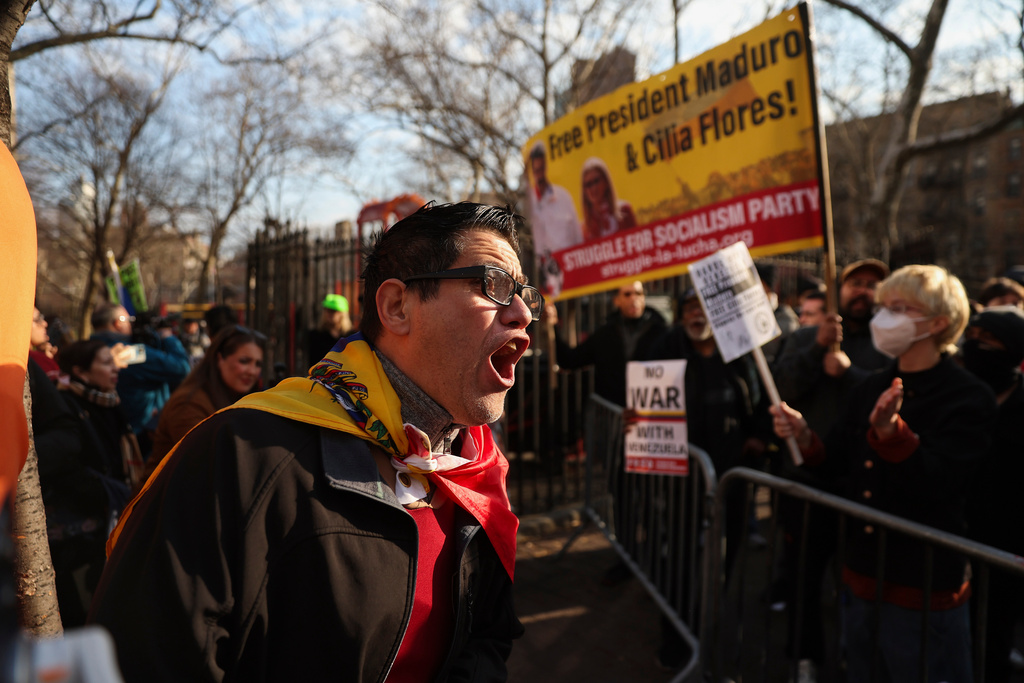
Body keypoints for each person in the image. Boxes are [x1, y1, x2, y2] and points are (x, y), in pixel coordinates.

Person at [89, 202, 534, 682]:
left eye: (525, 293)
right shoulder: (238, 455)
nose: (523, 313)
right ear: (397, 306)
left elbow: (488, 636)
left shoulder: (479, 468)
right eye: (494, 285)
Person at [772, 264, 995, 683]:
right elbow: (835, 463)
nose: (883, 317)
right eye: (883, 307)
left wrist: (893, 435)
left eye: (899, 307)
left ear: (938, 322)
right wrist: (804, 436)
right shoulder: (870, 386)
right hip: (861, 578)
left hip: (923, 587)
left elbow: (942, 482)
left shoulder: (968, 396)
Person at [769, 258, 891, 679]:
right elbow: (781, 389)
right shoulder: (804, 337)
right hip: (806, 483)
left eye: (873, 285)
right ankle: (806, 657)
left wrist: (851, 372)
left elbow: (894, 396)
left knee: (859, 581)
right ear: (839, 289)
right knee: (804, 578)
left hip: (864, 485)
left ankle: (852, 653)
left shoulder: (887, 344)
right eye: (855, 282)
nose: (863, 291)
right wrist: (818, 346)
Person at [53, 340, 140, 626]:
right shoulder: (66, 405)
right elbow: (67, 466)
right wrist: (104, 494)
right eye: (105, 363)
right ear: (81, 372)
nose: (114, 368)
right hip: (84, 528)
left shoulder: (111, 401)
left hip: (112, 510)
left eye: (112, 361)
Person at [962, 306, 1024, 683]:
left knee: (995, 632)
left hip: (1008, 542)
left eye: (990, 341)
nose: (978, 347)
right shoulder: (959, 394)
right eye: (973, 338)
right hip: (954, 532)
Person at [148, 325, 265, 472]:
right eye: (244, 361)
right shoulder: (188, 403)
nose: (252, 371)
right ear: (220, 358)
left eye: (258, 364)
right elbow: (206, 462)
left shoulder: (240, 399)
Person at [547, 280, 668, 407]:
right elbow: (569, 360)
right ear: (616, 300)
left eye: (638, 293)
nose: (634, 299)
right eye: (627, 294)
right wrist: (553, 325)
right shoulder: (604, 333)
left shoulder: (661, 331)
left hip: (651, 413)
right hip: (613, 412)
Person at [90, 302, 192, 443]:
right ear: (118, 324)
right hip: (142, 432)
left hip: (108, 431)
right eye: (129, 320)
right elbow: (181, 368)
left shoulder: (88, 350)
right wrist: (167, 337)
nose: (131, 325)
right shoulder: (129, 353)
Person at [528, 141, 584, 297]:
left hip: (570, 273)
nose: (539, 176)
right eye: (535, 171)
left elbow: (577, 234)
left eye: (541, 170)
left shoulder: (564, 196)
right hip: (542, 278)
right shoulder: (528, 202)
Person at [580, 157, 636, 240]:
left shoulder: (624, 211)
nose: (593, 188)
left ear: (606, 181)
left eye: (596, 181)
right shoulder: (585, 229)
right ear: (584, 191)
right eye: (588, 184)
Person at [307, 293, 355, 363]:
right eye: (327, 310)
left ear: (342, 314)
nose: (329, 314)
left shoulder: (351, 336)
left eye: (333, 311)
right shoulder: (316, 335)